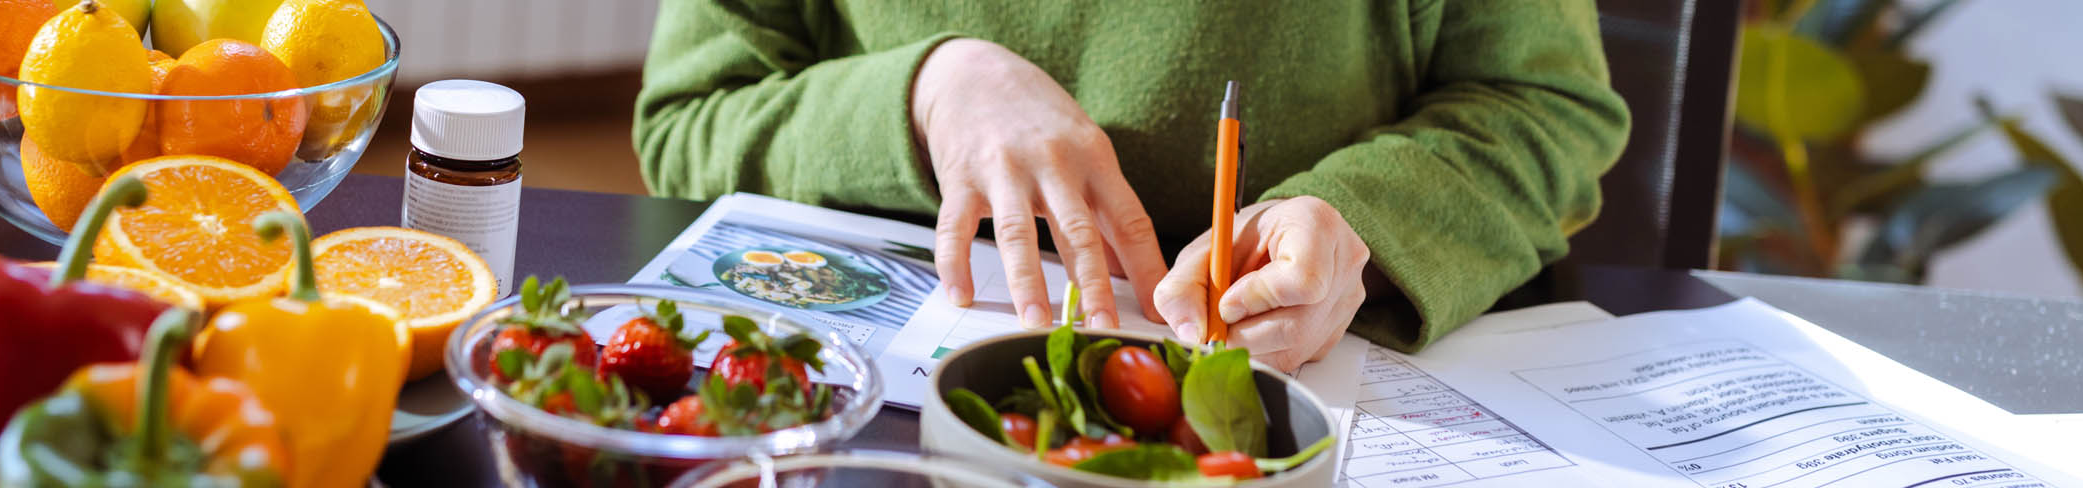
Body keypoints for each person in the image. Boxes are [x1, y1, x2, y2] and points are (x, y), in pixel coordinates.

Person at [633, 0, 1629, 372]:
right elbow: (692, 120)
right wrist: (925, 95)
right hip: (884, 413)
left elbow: (1548, 107)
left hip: (1301, 398)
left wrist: (1359, 217)